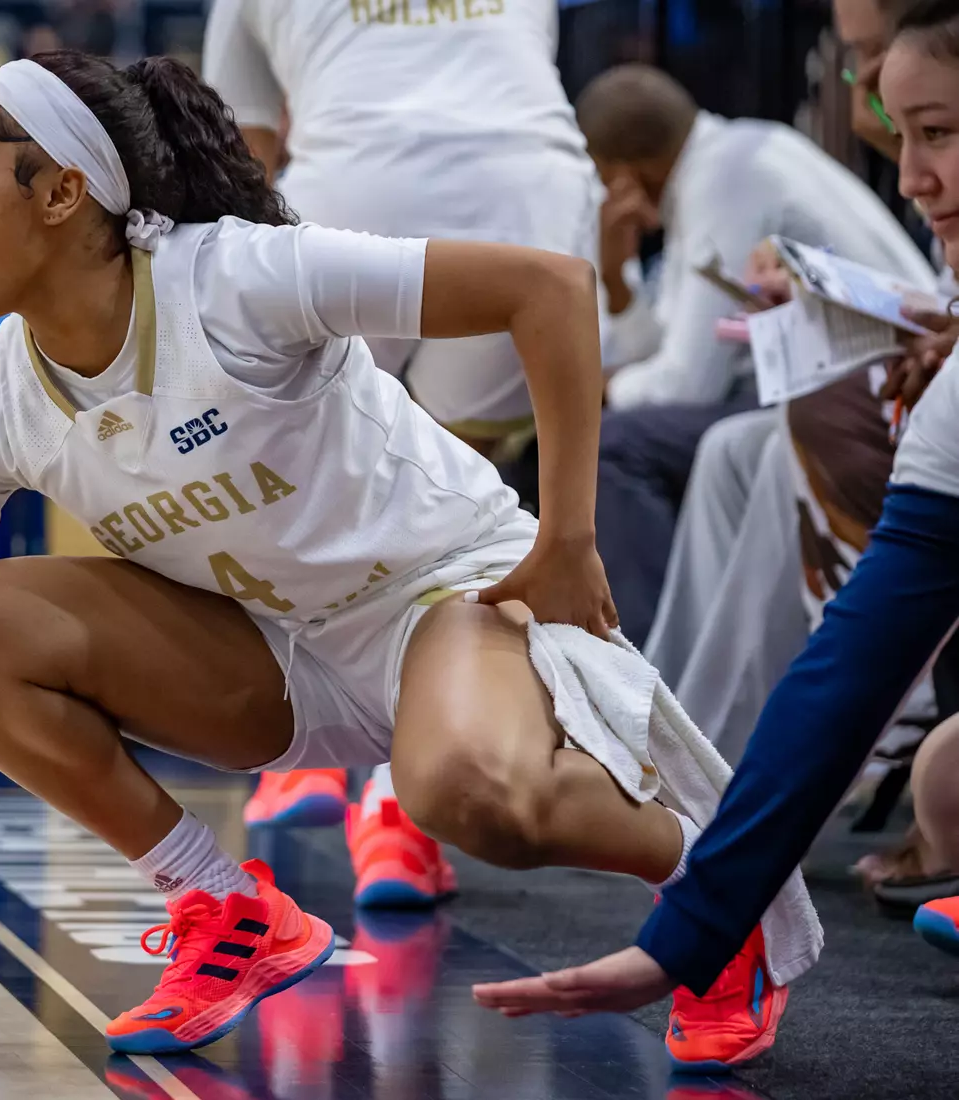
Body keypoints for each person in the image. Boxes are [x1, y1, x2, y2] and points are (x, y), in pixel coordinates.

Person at [0, 51, 800, 1070]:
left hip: (440, 592)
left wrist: (566, 535)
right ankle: (232, 907)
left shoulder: (240, 280)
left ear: (60, 194)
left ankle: (714, 886)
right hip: (271, 649)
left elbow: (549, 286)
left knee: (473, 796)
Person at [471, 0, 959, 1020]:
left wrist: (570, 394)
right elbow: (857, 655)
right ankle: (679, 746)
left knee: (640, 444)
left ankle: (649, 728)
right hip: (858, 411)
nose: (908, 174)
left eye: (938, 133)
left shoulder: (738, 171)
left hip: (846, 403)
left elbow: (670, 371)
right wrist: (696, 925)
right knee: (946, 774)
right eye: (899, 122)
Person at [200, 0, 603, 900]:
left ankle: (303, 748)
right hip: (521, 188)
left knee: (311, 473)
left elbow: (241, 153)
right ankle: (394, 814)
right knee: (459, 508)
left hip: (347, 187)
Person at [581, 63, 935, 647]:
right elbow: (674, 354)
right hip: (847, 382)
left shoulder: (726, 179)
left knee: (615, 446)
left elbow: (684, 385)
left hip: (877, 393)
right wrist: (617, 285)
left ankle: (630, 668)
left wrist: (597, 389)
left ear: (621, 175)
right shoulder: (732, 156)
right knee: (628, 432)